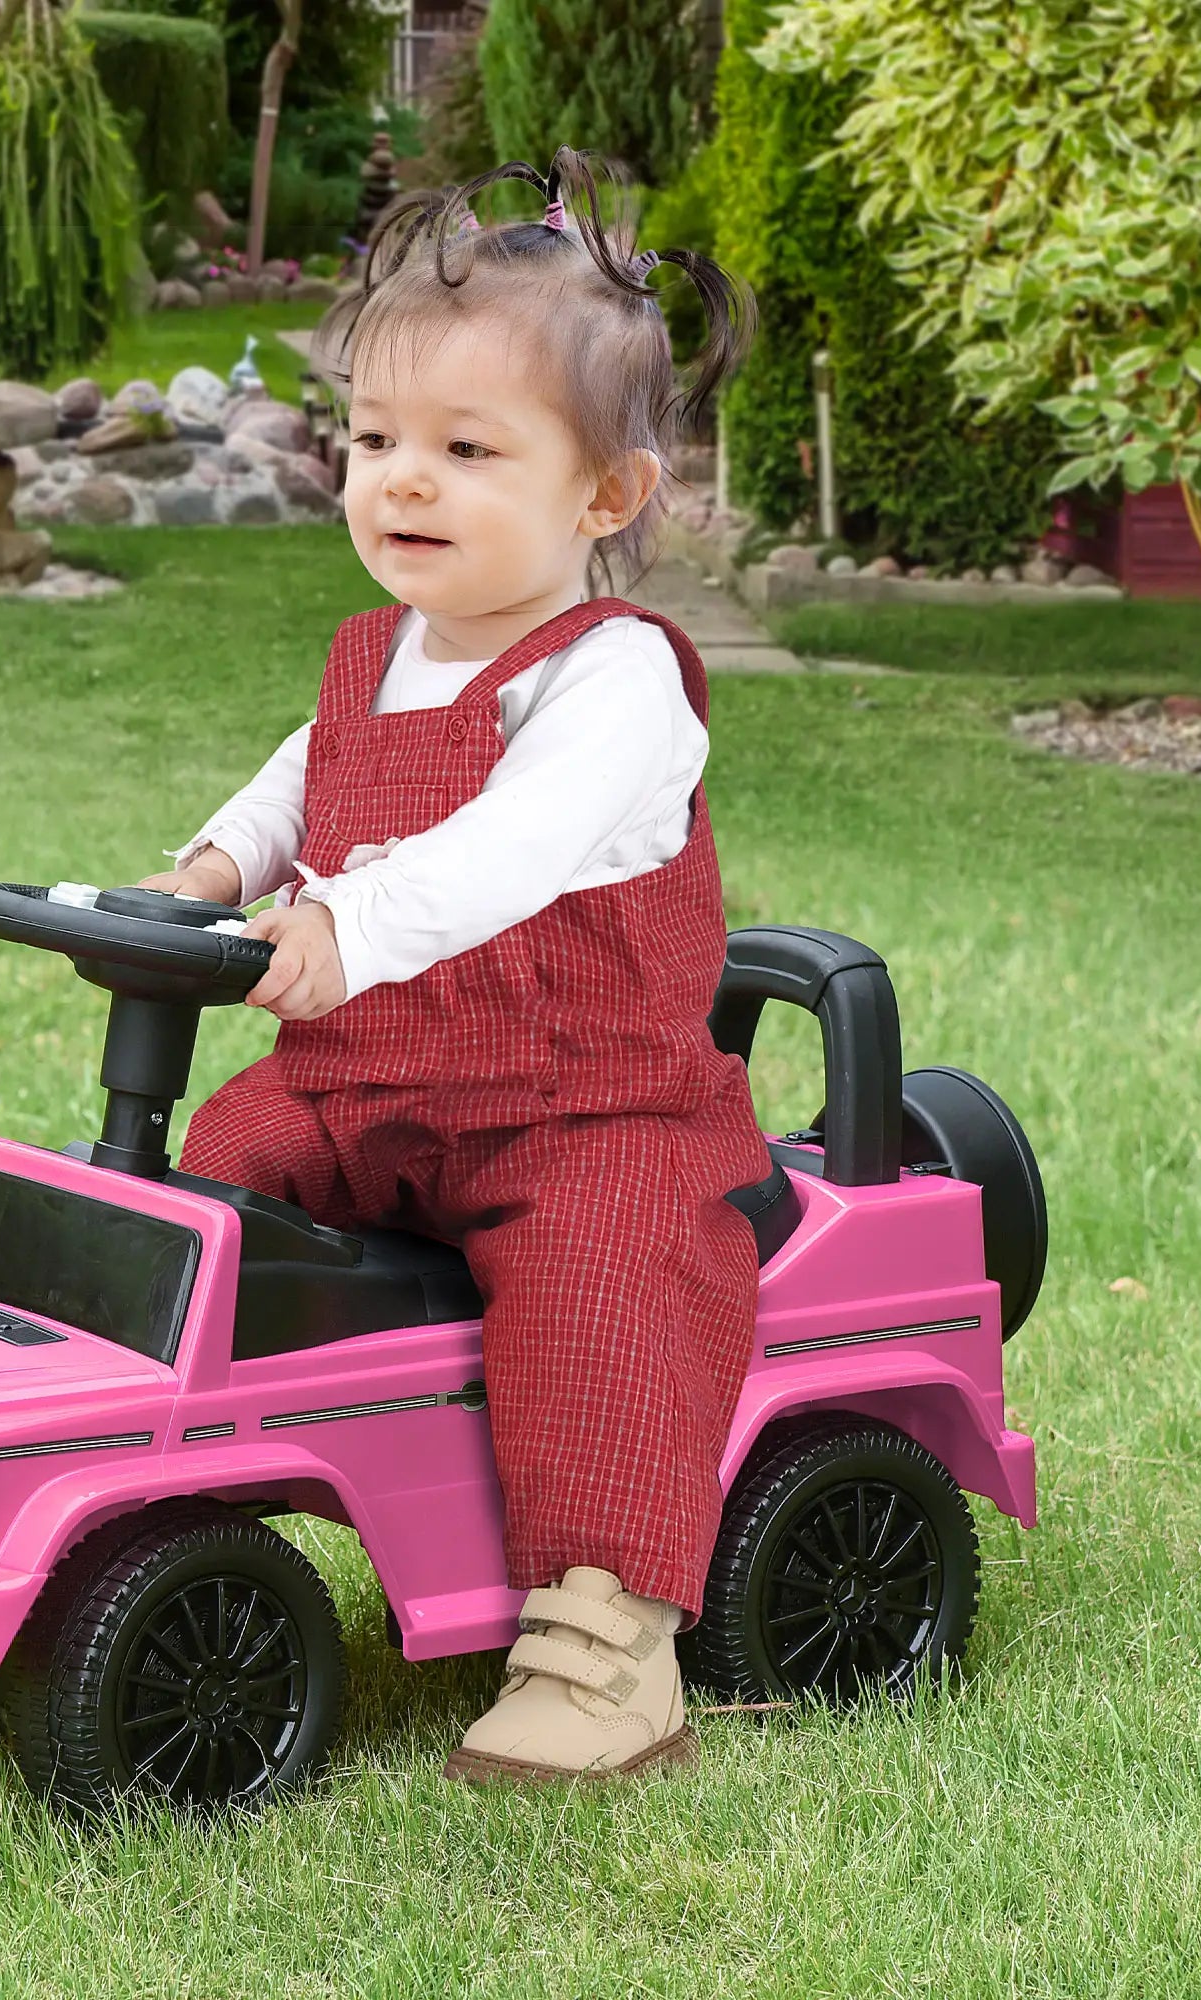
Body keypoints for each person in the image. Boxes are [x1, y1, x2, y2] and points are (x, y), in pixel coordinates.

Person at [139, 148, 772, 1785]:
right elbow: (302, 779)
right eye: (374, 441)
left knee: (603, 1278)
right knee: (208, 1179)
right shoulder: (379, 651)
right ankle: (177, 1484)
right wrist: (212, 872)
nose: (399, 483)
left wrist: (356, 926)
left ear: (605, 497)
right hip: (368, 1097)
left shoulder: (616, 684)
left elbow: (513, 848)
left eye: (465, 451)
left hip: (580, 1108)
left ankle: (608, 1637)